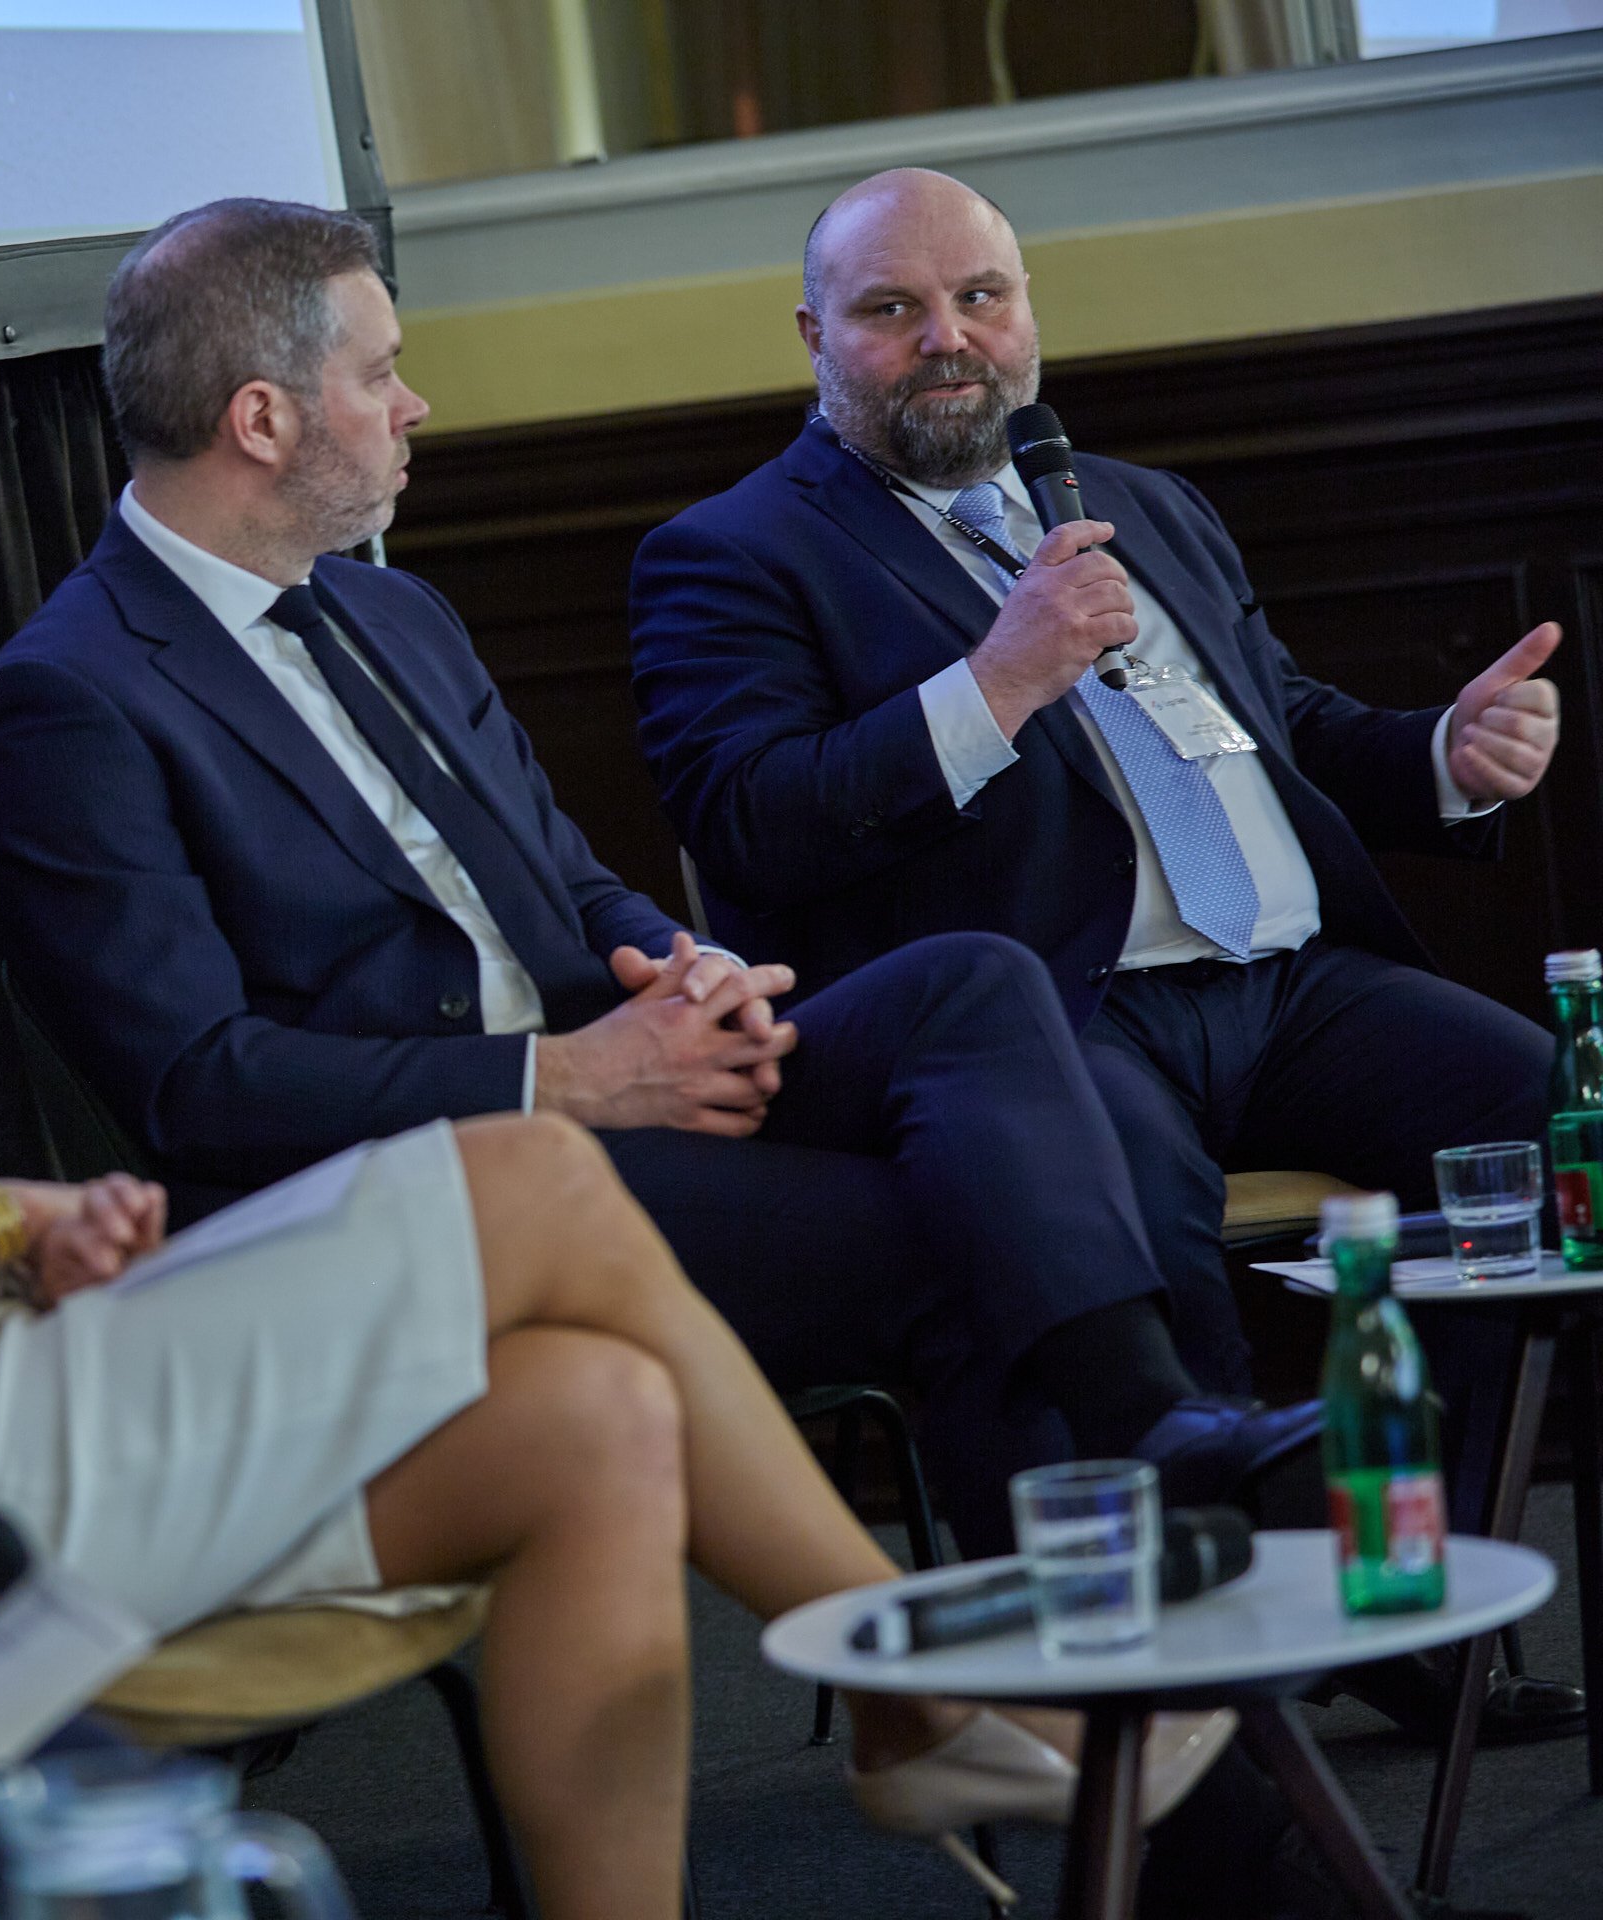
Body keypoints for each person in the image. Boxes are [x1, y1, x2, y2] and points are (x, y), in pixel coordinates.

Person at [0, 245, 1234, 1920]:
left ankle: (1023, 1598)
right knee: (590, 1179)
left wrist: (675, 978)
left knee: (596, 1414)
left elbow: (560, 885)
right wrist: (1, 1223)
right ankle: (935, 1687)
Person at [0, 196, 1310, 1557]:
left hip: (614, 1086)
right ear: (261, 419)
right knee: (958, 1235)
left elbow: (567, 881)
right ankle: (1094, 1639)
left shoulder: (390, 607)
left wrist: (686, 972)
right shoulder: (69, 702)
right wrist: (570, 1081)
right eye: (381, 374)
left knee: (971, 985)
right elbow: (200, 1088)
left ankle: (1155, 1426)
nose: (414, 407)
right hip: (411, 1191)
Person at [624, 165, 1574, 1740]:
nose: (949, 338)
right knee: (1125, 1233)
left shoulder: (1140, 501)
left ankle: (1411, 1599)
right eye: (892, 309)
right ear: (813, 336)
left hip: (1290, 989)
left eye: (980, 298)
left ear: (1026, 315)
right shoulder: (729, 551)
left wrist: (1442, 758)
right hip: (1050, 1016)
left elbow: (1280, 724)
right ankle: (1226, 1698)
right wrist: (997, 681)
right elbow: (754, 820)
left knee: (1553, 1135)